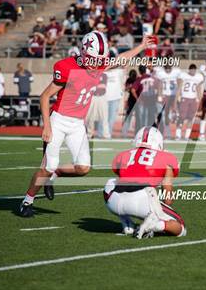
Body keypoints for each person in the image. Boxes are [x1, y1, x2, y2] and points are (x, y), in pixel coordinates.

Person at [19, 31, 154, 217]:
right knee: (47, 165)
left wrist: (141, 46)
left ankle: (56, 174)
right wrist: (47, 126)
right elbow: (44, 96)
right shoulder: (66, 67)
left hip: (77, 124)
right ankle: (27, 202)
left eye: (99, 60)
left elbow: (122, 58)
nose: (96, 64)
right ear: (83, 52)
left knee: (83, 168)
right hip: (58, 120)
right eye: (93, 59)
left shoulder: (99, 64)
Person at [104, 126, 186, 238]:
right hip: (142, 199)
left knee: (111, 182)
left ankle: (126, 223)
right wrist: (160, 212)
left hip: (114, 202)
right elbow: (168, 198)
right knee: (180, 228)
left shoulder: (123, 154)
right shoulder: (167, 157)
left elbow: (123, 178)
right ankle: (156, 225)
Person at [176, 64, 203, 140]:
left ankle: (187, 136)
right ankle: (178, 135)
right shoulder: (183, 76)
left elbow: (199, 88)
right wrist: (177, 97)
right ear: (189, 70)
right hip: (184, 98)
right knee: (181, 117)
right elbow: (178, 84)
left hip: (193, 99)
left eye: (194, 70)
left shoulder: (198, 77)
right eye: (192, 69)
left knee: (191, 118)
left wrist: (200, 99)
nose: (193, 71)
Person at [155, 64, 181, 138]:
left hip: (173, 95)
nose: (168, 69)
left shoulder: (177, 72)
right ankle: (168, 131)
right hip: (165, 95)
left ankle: (176, 132)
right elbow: (159, 85)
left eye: (169, 67)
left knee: (177, 113)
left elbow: (180, 83)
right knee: (164, 114)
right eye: (166, 67)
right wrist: (159, 95)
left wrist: (179, 94)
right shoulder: (160, 73)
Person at [86, 73, 110, 139]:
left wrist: (94, 85)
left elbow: (103, 86)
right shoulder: (90, 74)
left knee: (104, 117)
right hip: (93, 97)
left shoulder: (104, 75)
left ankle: (106, 135)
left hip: (102, 97)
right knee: (90, 117)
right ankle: (90, 134)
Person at [105, 68, 125, 138]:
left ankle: (108, 134)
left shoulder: (118, 71)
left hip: (115, 98)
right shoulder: (105, 71)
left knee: (112, 118)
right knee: (105, 118)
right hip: (105, 98)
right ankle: (102, 133)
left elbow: (125, 65)